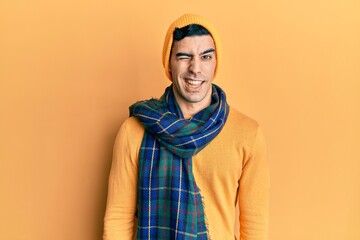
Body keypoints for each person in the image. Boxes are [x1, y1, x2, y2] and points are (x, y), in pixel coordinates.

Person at [103, 13, 270, 240]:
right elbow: (118, 218)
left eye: (206, 57)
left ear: (215, 64)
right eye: (184, 57)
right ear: (169, 65)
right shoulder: (134, 131)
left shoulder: (247, 134)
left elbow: (255, 227)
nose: (196, 68)